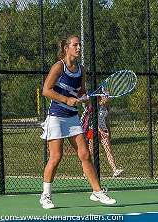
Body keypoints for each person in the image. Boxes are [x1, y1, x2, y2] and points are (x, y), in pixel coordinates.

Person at [39, 34, 116, 209]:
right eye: (75, 45)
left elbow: (81, 93)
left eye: (80, 45)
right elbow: (46, 90)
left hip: (72, 117)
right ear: (66, 48)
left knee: (85, 154)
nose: (79, 48)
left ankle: (97, 192)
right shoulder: (59, 67)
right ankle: (45, 196)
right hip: (56, 117)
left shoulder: (81, 69)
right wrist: (66, 100)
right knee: (56, 156)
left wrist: (92, 99)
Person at [81, 97, 123, 178]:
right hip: (93, 130)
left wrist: (108, 131)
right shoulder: (94, 106)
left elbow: (106, 120)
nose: (108, 98)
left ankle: (115, 170)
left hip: (104, 131)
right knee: (90, 152)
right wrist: (100, 131)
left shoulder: (106, 107)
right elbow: (94, 120)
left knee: (108, 150)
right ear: (101, 98)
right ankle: (86, 172)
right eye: (106, 97)